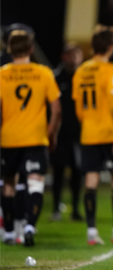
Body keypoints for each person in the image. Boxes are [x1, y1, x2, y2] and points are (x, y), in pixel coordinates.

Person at [72, 25, 113, 245]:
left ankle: (91, 232)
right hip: (109, 133)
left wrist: (88, 124)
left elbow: (78, 107)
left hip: (89, 132)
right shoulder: (111, 70)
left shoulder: (80, 70)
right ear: (110, 46)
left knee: (91, 180)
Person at [0, 29, 62, 246]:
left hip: (8, 138)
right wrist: (51, 132)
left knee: (8, 184)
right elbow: (56, 108)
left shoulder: (2, 73)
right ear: (31, 49)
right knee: (35, 183)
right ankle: (29, 227)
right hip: (36, 138)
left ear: (9, 49)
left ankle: (8, 233)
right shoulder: (43, 73)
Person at [50, 42, 84, 222]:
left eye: (77, 55)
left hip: (78, 133)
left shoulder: (83, 77)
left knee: (78, 171)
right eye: (71, 55)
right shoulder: (56, 77)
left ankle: (76, 209)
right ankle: (56, 207)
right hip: (61, 134)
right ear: (64, 57)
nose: (75, 59)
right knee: (58, 171)